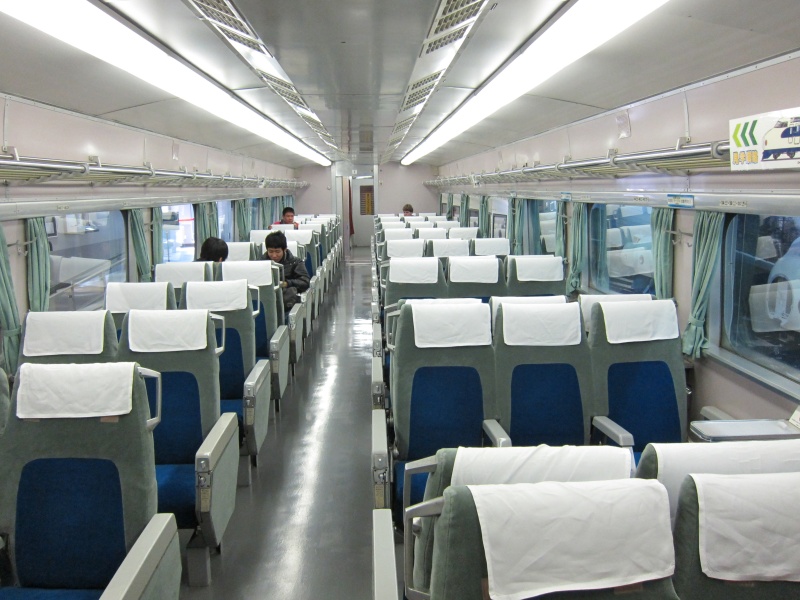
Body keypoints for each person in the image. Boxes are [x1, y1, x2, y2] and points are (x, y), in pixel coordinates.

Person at [264, 230, 309, 311]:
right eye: (270, 251)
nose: (274, 255)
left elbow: (305, 282)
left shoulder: (295, 262)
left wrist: (288, 283)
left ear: (285, 249)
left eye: (277, 252)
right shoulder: (260, 263)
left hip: (288, 303)